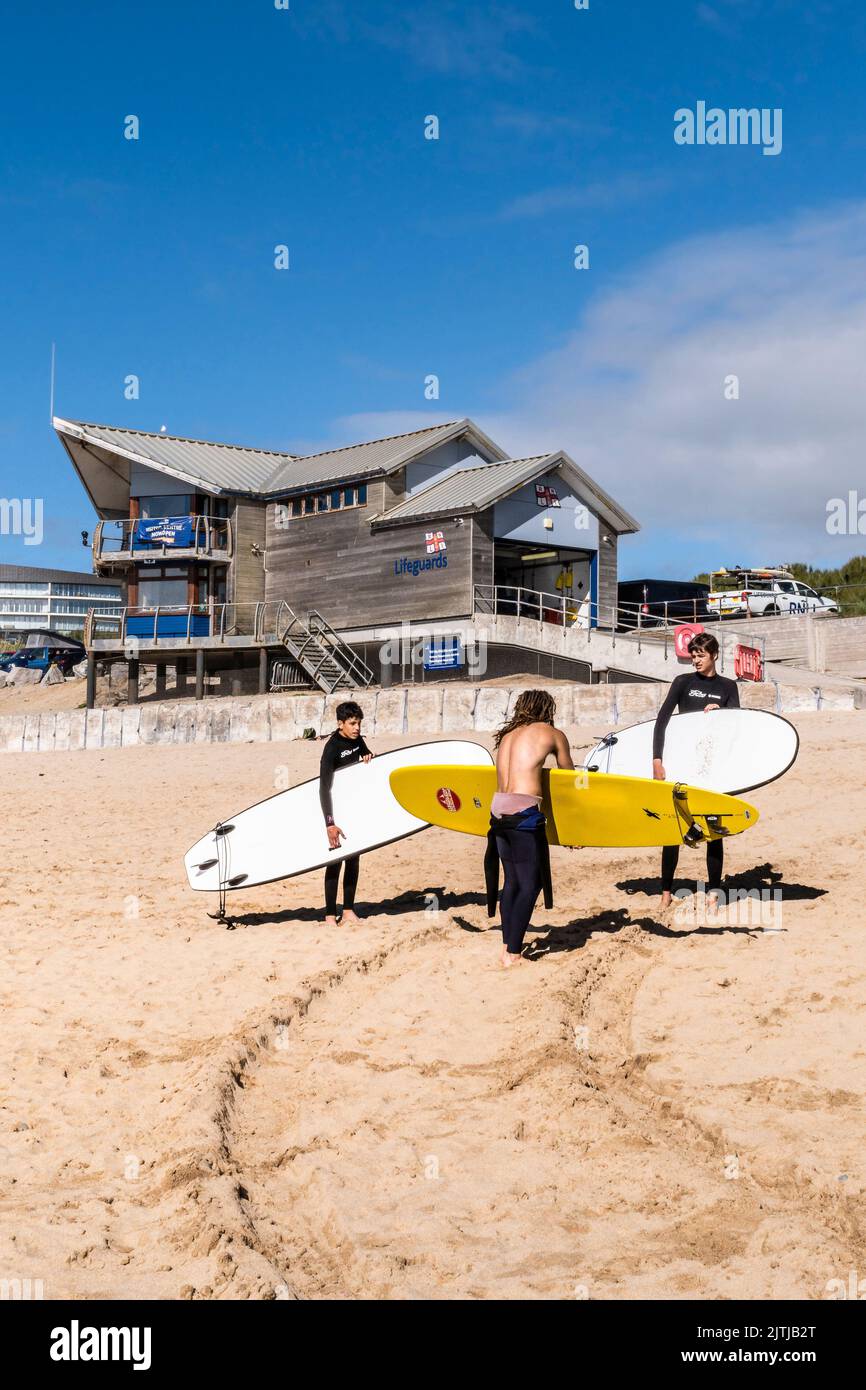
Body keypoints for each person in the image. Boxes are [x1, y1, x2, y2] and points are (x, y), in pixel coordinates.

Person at [653, 632, 740, 908]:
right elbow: (662, 722)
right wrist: (657, 759)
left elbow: (737, 727)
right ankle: (666, 891)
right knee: (673, 829)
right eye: (693, 656)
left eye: (701, 655)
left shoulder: (728, 687)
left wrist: (720, 714)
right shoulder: (683, 682)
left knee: (713, 830)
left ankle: (714, 891)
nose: (696, 660)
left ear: (714, 655)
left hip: (711, 767)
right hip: (681, 762)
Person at [488, 690, 575, 967]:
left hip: (498, 810)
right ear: (547, 709)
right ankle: (514, 952)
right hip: (524, 811)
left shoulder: (507, 736)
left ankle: (506, 945)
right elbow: (569, 779)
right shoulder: (551, 733)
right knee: (531, 884)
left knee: (512, 881)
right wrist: (576, 828)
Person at [319, 701, 373, 926]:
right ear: (340, 724)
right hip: (334, 809)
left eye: (358, 723)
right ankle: (330, 915)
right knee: (335, 861)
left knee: (353, 859)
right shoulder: (332, 748)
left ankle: (349, 910)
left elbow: (364, 755)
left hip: (353, 807)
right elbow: (324, 787)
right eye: (352, 723)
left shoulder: (357, 740)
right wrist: (330, 823)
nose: (357, 728)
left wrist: (368, 754)